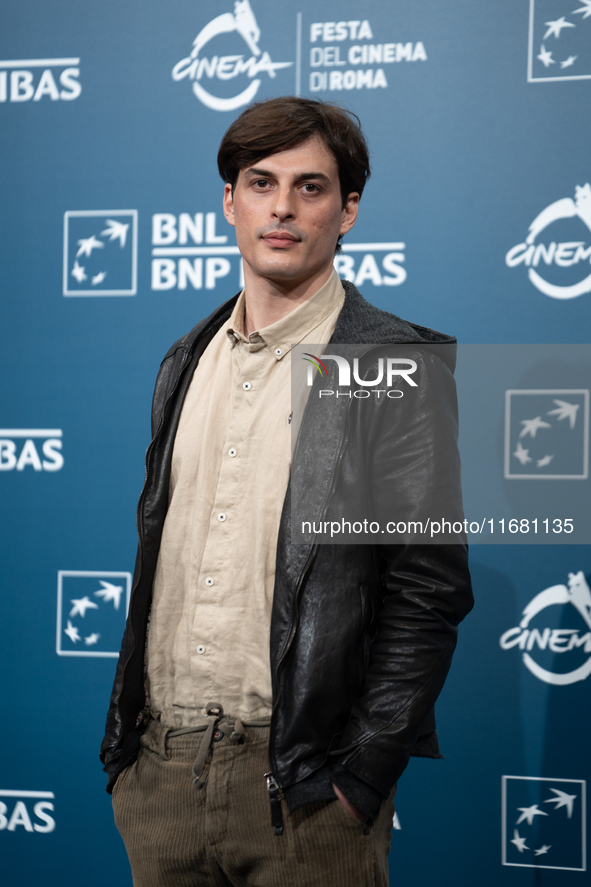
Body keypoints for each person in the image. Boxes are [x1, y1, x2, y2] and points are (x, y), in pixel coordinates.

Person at [101, 96, 473, 887]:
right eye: (260, 182)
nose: (281, 207)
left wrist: (359, 777)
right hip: (159, 781)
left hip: (305, 794)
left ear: (348, 211)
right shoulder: (184, 357)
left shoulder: (392, 362)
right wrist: (130, 764)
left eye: (310, 187)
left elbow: (427, 592)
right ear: (229, 202)